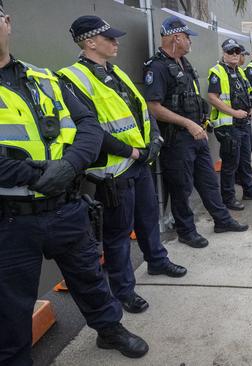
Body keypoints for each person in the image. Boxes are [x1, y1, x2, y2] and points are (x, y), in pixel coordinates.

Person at [0, 7, 148, 362]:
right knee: (10, 306)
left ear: (7, 23)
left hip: (66, 207)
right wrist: (37, 176)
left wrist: (68, 166)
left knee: (90, 279)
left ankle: (110, 331)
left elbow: (89, 126)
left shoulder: (42, 77)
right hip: (10, 220)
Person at [60, 15, 187, 315]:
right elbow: (91, 131)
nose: (116, 42)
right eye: (109, 38)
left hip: (139, 161)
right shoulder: (70, 78)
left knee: (148, 217)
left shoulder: (115, 72)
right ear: (90, 42)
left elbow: (143, 110)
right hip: (115, 170)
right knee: (118, 235)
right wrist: (132, 152)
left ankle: (156, 260)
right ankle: (124, 291)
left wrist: (154, 140)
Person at [144, 17, 248, 249]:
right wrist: (187, 124)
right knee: (181, 188)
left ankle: (222, 220)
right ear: (176, 38)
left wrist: (200, 122)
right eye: (187, 37)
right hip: (177, 138)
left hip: (197, 134)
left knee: (209, 181)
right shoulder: (157, 67)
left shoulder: (184, 63)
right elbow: (154, 107)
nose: (190, 41)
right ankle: (186, 231)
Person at [207, 39, 252, 212]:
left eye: (236, 52)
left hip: (243, 122)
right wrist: (234, 113)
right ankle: (228, 198)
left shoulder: (240, 72)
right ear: (223, 53)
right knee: (230, 164)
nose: (234, 55)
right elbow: (212, 97)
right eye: (230, 52)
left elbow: (249, 93)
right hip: (228, 125)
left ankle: (249, 190)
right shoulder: (217, 71)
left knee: (245, 160)